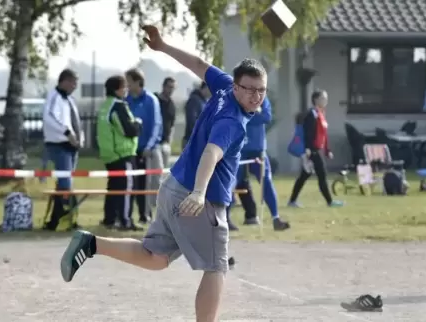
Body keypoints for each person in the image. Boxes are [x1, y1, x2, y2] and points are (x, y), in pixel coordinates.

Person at [60, 24, 265, 322]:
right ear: (236, 86)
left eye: (261, 90)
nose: (256, 96)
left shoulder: (222, 87)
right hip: (197, 199)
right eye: (249, 89)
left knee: (155, 258)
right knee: (217, 267)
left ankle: (91, 243)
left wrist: (164, 46)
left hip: (172, 187)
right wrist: (199, 191)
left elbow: (198, 64)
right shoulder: (232, 121)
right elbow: (211, 153)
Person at [227, 96, 290, 231]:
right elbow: (235, 118)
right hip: (239, 148)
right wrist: (254, 113)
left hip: (258, 149)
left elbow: (266, 117)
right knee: (231, 181)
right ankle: (224, 218)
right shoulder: (236, 98)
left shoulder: (262, 98)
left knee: (266, 180)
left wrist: (248, 114)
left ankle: (276, 218)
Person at [97, 75, 143, 231]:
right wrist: (138, 124)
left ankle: (109, 219)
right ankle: (125, 220)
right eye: (124, 87)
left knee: (113, 188)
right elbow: (128, 130)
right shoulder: (118, 106)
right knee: (127, 188)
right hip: (123, 154)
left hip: (109, 155)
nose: (127, 90)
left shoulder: (105, 106)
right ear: (117, 89)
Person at [287, 89, 343, 208]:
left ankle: (292, 201)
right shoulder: (311, 114)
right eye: (323, 98)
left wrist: (327, 150)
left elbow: (323, 134)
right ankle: (330, 201)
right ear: (316, 99)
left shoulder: (320, 114)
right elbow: (308, 133)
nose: (326, 101)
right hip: (312, 150)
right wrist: (307, 149)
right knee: (322, 175)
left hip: (317, 149)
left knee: (304, 175)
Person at [42, 69, 82, 230]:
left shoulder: (69, 100)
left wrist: (80, 138)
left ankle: (55, 221)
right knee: (65, 183)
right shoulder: (54, 97)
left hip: (71, 147)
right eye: (73, 82)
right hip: (59, 145)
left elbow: (75, 121)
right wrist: (67, 132)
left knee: (65, 184)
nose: (75, 86)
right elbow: (49, 117)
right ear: (64, 81)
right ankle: (63, 219)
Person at [125, 68, 163, 224]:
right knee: (133, 184)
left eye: (129, 81)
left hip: (147, 150)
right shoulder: (127, 100)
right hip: (132, 150)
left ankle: (145, 214)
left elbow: (156, 125)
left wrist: (148, 146)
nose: (127, 85)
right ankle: (129, 215)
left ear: (137, 82)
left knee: (146, 184)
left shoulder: (151, 100)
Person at [182, 81, 210, 149]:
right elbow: (191, 120)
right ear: (206, 87)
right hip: (192, 141)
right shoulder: (194, 100)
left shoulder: (205, 101)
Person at [156, 77, 177, 168]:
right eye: (169, 87)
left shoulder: (172, 105)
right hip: (154, 143)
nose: (170, 90)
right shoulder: (155, 101)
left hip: (165, 143)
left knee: (164, 170)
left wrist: (169, 141)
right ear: (163, 86)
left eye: (173, 88)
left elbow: (172, 124)